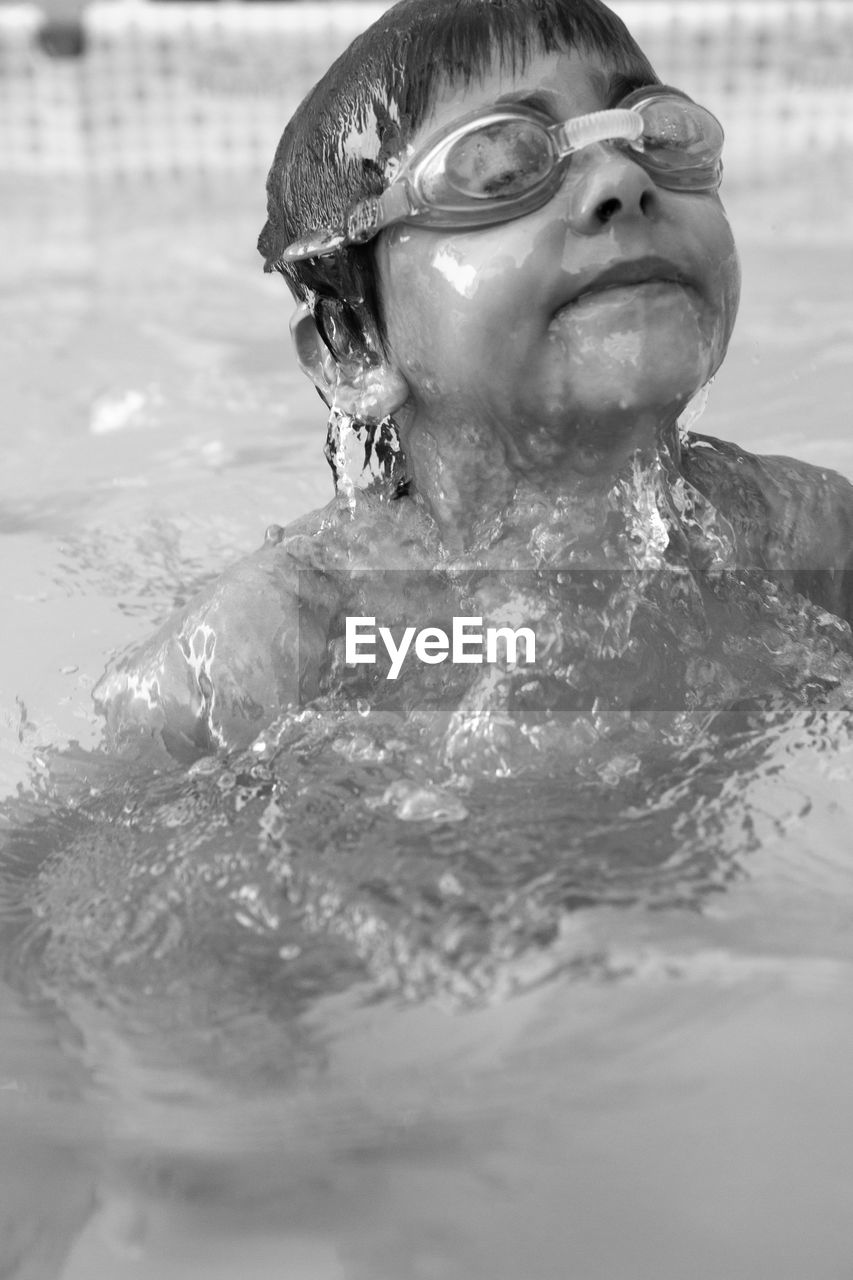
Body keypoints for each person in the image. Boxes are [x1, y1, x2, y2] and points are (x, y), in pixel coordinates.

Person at [94, 0, 853, 764]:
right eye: (500, 168)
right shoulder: (289, 639)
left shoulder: (801, 543)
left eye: (656, 136)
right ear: (355, 349)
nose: (621, 179)